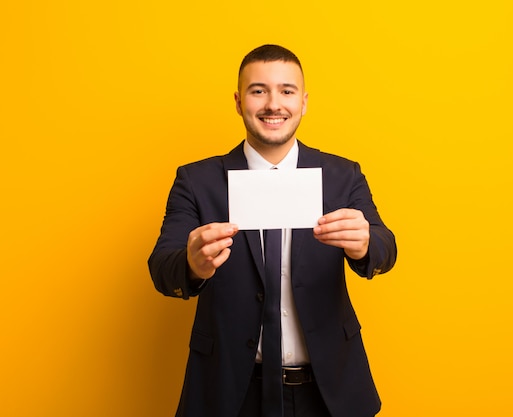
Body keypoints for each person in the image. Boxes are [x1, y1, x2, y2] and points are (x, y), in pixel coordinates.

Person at [148, 44, 397, 417]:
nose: (273, 104)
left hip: (329, 391)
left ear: (304, 101)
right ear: (238, 101)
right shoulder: (197, 181)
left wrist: (365, 244)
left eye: (286, 91)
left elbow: (385, 247)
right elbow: (162, 269)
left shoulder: (343, 175)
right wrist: (191, 264)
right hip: (230, 392)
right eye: (258, 90)